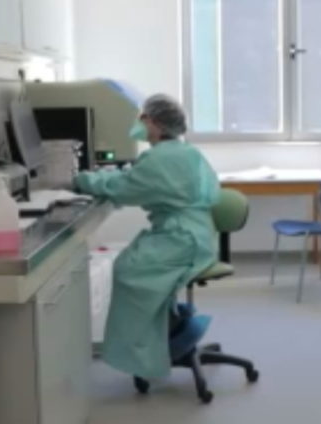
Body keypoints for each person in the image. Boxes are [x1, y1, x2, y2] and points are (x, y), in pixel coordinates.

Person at [74, 94, 220, 379]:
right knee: (132, 262)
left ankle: (155, 347)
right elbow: (134, 179)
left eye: (144, 117)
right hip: (196, 233)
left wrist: (81, 180)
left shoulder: (160, 158)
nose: (139, 122)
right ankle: (169, 323)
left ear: (157, 124)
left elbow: (123, 188)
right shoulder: (183, 151)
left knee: (128, 269)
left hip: (182, 239)